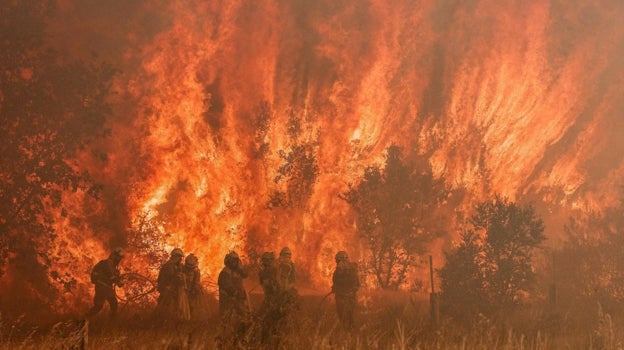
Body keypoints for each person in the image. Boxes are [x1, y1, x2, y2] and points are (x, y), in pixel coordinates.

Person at [217, 251, 248, 347]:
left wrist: (240, 269)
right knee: (226, 322)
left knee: (243, 320)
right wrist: (237, 293)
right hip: (227, 302)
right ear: (229, 262)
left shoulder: (236, 271)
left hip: (237, 302)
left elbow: (245, 275)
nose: (235, 263)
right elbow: (227, 287)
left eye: (236, 261)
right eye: (233, 261)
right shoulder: (224, 273)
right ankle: (223, 342)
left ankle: (238, 340)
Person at [85, 247, 125, 319]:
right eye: (119, 257)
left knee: (110, 304)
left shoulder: (114, 267)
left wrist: (119, 281)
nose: (119, 260)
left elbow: (114, 278)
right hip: (102, 286)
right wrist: (117, 281)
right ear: (114, 256)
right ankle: (85, 318)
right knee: (101, 306)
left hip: (106, 287)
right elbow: (111, 276)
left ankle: (111, 322)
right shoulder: (107, 263)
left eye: (120, 258)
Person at [156, 247, 190, 322]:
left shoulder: (175, 265)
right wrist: (178, 277)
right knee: (166, 307)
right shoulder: (169, 266)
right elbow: (170, 279)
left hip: (171, 290)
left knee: (172, 308)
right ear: (175, 256)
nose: (181, 259)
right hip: (167, 289)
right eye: (179, 257)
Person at [332, 250, 360, 331]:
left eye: (337, 260)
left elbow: (338, 281)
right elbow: (357, 284)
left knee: (346, 316)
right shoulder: (350, 269)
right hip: (348, 297)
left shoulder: (344, 270)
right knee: (347, 316)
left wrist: (338, 288)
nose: (336, 262)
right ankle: (348, 331)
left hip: (344, 297)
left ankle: (348, 332)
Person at [258, 251, 280, 344]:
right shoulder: (269, 271)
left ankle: (265, 341)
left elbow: (274, 286)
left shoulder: (265, 272)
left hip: (271, 300)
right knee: (269, 321)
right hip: (272, 300)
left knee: (266, 321)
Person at [183, 253, 203, 319]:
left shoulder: (196, 272)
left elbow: (196, 283)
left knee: (191, 308)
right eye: (189, 267)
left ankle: (189, 323)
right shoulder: (181, 269)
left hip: (191, 293)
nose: (190, 269)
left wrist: (198, 289)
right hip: (182, 293)